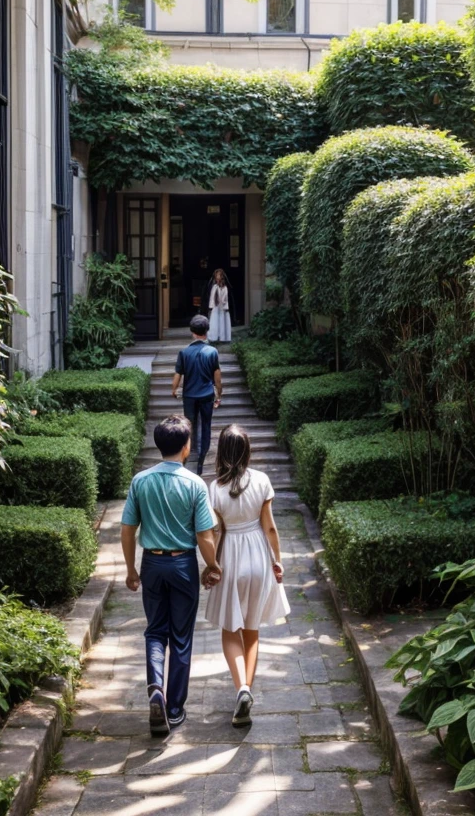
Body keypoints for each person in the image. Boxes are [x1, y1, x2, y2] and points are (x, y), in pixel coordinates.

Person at [120, 415, 222, 738]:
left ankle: (155, 690)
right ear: (187, 447)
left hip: (151, 564)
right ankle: (174, 709)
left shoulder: (140, 481)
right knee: (181, 637)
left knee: (155, 631)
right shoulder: (195, 484)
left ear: (158, 444)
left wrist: (130, 569)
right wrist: (213, 565)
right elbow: (205, 535)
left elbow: (127, 529)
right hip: (183, 566)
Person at [203, 424, 290, 727]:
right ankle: (246, 690)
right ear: (247, 450)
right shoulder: (263, 481)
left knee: (230, 629)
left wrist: (211, 566)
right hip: (258, 557)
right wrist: (277, 561)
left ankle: (240, 685)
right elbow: (270, 528)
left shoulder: (214, 488)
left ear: (222, 452)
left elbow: (213, 533)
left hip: (231, 559)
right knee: (252, 629)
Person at [172, 314, 222, 475]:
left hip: (189, 396)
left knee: (189, 425)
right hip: (207, 395)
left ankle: (187, 455)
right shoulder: (212, 352)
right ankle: (202, 459)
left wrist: (174, 390)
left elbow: (178, 375)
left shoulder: (184, 352)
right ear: (206, 331)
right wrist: (218, 394)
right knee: (206, 425)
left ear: (192, 332)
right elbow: (217, 377)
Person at [208, 268, 232, 344]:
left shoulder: (225, 287)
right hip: (216, 307)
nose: (217, 277)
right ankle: (214, 336)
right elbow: (212, 297)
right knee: (214, 321)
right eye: (216, 275)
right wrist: (211, 306)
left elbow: (225, 298)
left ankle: (223, 337)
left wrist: (223, 302)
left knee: (223, 321)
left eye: (219, 275)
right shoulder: (214, 287)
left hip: (222, 307)